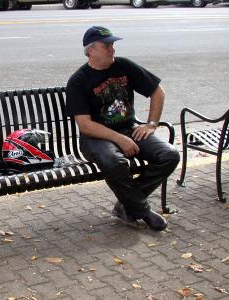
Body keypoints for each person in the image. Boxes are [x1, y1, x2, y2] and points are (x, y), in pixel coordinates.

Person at [66, 26, 180, 231]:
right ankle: (143, 210)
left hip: (129, 128)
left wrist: (151, 124)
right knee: (115, 162)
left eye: (112, 44)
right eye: (107, 45)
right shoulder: (78, 81)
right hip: (96, 137)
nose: (112, 49)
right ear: (91, 50)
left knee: (169, 155)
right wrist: (120, 139)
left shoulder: (124, 66)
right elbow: (85, 125)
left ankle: (126, 205)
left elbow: (157, 91)